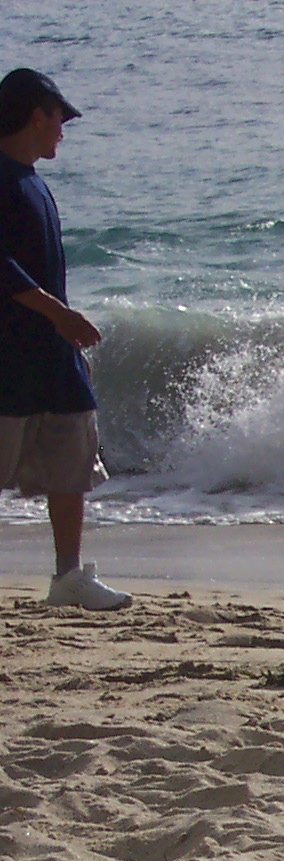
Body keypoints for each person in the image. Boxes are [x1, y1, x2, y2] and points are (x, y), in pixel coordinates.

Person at [0, 68, 129, 610]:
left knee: (72, 461)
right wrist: (59, 317)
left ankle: (67, 577)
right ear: (36, 116)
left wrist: (66, 336)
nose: (63, 131)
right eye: (60, 119)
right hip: (10, 357)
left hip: (53, 353)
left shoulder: (32, 179)